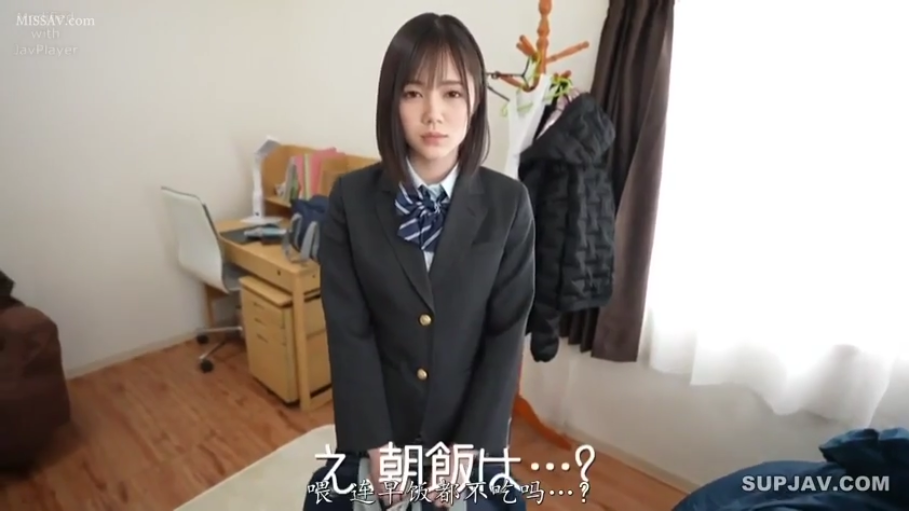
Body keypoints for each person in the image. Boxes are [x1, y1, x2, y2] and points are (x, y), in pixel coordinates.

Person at [302, 11, 534, 511]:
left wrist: (466, 451)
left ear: (475, 100)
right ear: (392, 102)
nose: (434, 114)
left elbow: (504, 337)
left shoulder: (510, 204)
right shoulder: (350, 199)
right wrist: (378, 449)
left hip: (467, 431)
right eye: (413, 93)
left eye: (452, 93)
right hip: (380, 426)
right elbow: (349, 331)